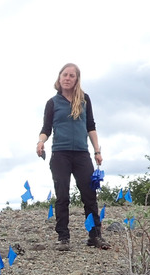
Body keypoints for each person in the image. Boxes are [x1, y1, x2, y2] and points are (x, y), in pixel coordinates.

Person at [37, 63, 108, 250]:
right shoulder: (52, 103)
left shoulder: (85, 100)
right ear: (59, 78)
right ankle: (63, 238)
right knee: (62, 196)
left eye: (72, 76)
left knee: (89, 195)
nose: (67, 78)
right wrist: (40, 142)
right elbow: (46, 129)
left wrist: (97, 151)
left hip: (82, 154)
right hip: (60, 154)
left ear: (77, 79)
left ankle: (95, 236)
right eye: (65, 75)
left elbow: (90, 126)